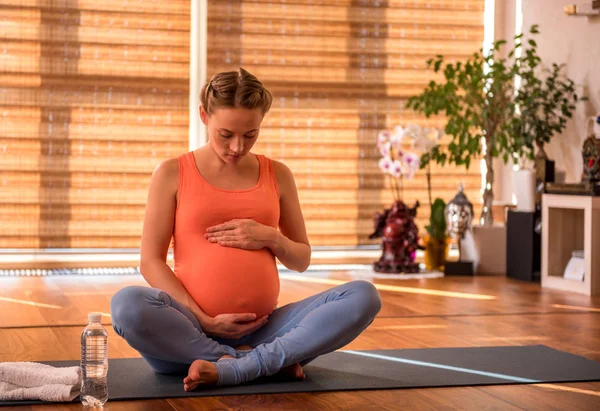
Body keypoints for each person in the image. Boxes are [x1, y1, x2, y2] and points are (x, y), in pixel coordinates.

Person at [110, 68, 382, 391]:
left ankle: (236, 366)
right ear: (203, 116)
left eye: (250, 134)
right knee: (126, 305)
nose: (238, 147)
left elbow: (302, 259)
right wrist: (203, 319)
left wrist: (270, 237)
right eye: (226, 134)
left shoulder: (278, 175)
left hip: (268, 330)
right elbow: (150, 262)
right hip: (188, 336)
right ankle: (255, 363)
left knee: (364, 296)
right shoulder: (171, 173)